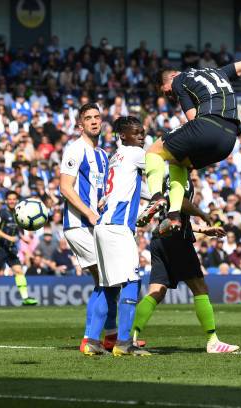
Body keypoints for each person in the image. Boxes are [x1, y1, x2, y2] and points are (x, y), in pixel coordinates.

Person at [137, 57, 241, 237]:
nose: (168, 95)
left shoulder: (179, 81)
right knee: (178, 162)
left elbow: (193, 119)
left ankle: (156, 198)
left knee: (153, 152)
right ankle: (173, 216)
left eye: (166, 91)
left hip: (208, 126)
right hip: (229, 140)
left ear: (172, 76)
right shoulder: (218, 72)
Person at [132, 170, 239, 354]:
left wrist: (203, 230)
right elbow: (180, 203)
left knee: (157, 291)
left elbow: (173, 216)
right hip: (177, 239)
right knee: (200, 288)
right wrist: (200, 212)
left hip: (160, 238)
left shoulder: (166, 177)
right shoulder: (181, 177)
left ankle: (129, 337)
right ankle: (213, 341)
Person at [90, 116, 150, 357]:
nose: (142, 137)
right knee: (132, 283)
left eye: (143, 132)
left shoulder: (115, 158)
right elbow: (161, 167)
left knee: (107, 286)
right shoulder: (135, 153)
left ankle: (92, 342)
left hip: (102, 226)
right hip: (118, 226)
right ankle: (124, 343)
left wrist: (157, 197)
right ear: (123, 135)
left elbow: (138, 188)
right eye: (136, 132)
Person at [59, 103, 115, 354]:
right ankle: (91, 340)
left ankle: (111, 336)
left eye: (97, 117)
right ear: (80, 124)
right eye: (88, 118)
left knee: (110, 281)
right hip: (79, 225)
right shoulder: (75, 148)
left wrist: (101, 204)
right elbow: (65, 187)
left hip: (96, 224)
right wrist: (90, 212)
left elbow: (99, 192)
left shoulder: (102, 155)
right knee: (106, 279)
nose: (94, 121)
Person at [0, 190, 38, 305]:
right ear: (6, 201)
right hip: (0, 248)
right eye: (9, 199)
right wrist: (9, 238)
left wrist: (22, 237)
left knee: (19, 271)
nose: (12, 201)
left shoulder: (18, 213)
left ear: (17, 200)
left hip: (11, 249)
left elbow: (16, 229)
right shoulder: (2, 213)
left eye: (14, 199)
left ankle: (25, 299)